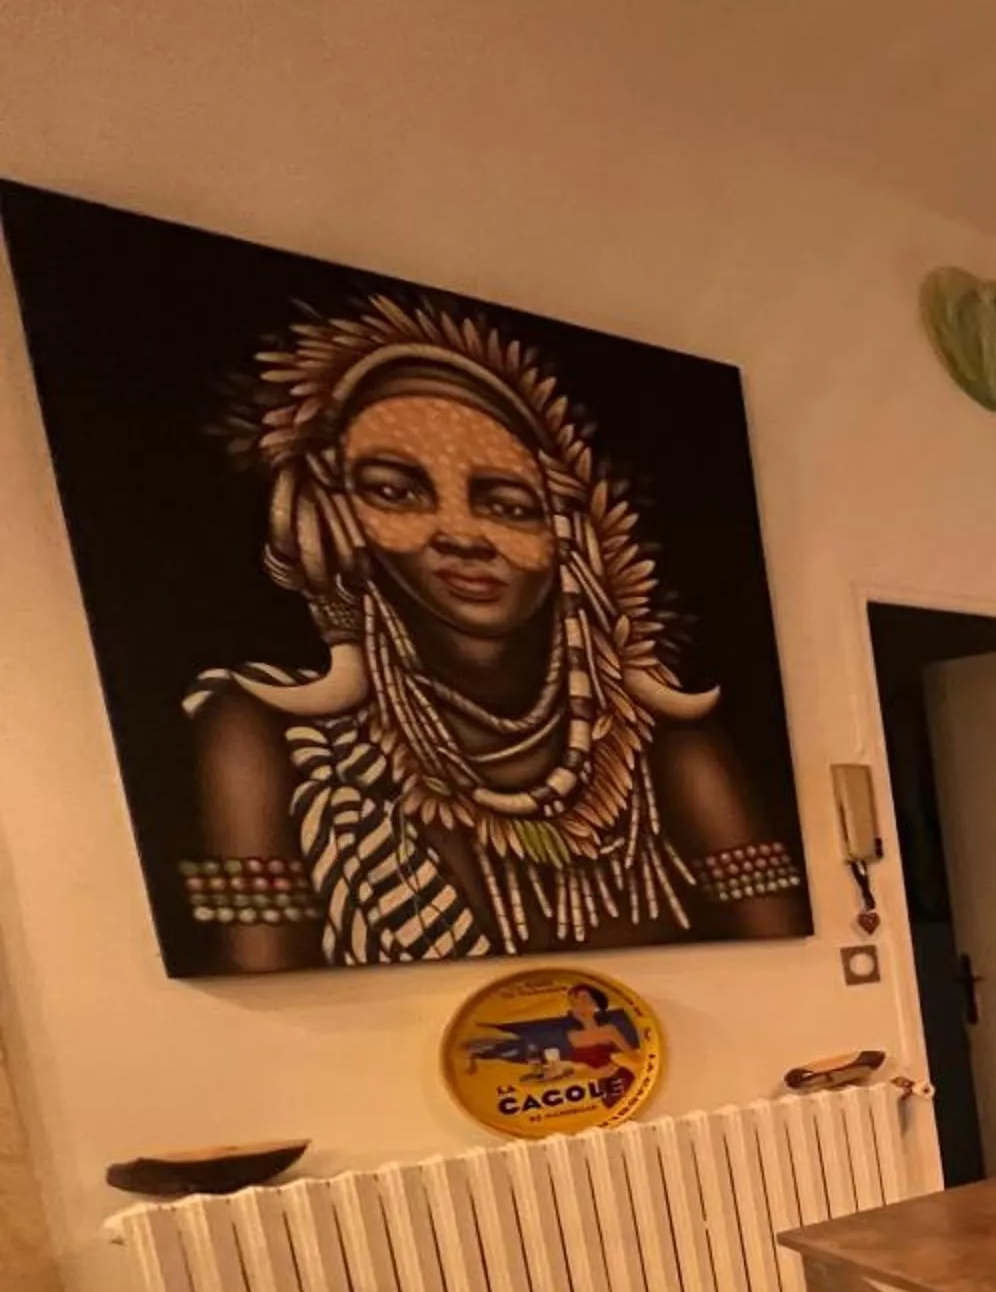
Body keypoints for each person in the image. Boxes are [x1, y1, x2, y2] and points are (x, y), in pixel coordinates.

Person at [180, 293, 804, 969]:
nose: (461, 535)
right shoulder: (264, 733)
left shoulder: (665, 748)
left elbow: (785, 959)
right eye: (396, 490)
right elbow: (260, 991)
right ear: (329, 521)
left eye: (506, 505)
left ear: (566, 534)